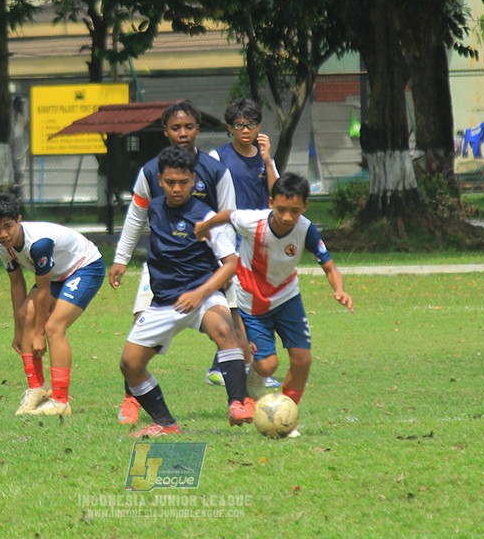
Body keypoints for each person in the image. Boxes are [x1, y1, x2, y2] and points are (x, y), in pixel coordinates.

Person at [109, 100, 242, 424]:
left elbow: (229, 217)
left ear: (197, 129)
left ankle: (240, 401)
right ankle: (133, 398)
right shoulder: (150, 172)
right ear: (166, 130)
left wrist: (227, 267)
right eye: (176, 127)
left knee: (230, 327)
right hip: (163, 268)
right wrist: (121, 259)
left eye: (189, 127)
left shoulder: (214, 171)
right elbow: (136, 216)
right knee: (137, 335)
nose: (183, 133)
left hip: (209, 267)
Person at [194, 172, 353, 435]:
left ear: (304, 207)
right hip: (253, 303)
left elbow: (329, 265)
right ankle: (254, 379)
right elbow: (227, 215)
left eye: (294, 210)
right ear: (271, 202)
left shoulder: (306, 229)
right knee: (268, 366)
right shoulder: (252, 222)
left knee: (302, 361)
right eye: (281, 210)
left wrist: (339, 289)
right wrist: (204, 227)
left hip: (288, 298)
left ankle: (285, 416)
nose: (287, 217)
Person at [0, 192, 105, 417]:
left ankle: (61, 401)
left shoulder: (38, 243)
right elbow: (16, 284)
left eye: (8, 227)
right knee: (24, 316)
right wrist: (19, 331)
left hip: (85, 267)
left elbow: (43, 289)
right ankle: (38, 388)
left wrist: (38, 333)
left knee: (53, 328)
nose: (3, 234)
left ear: (19, 220)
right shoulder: (2, 246)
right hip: (57, 275)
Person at [203, 97, 281, 388]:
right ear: (230, 127)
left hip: (257, 241)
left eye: (250, 124)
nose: (245, 130)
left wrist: (268, 159)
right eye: (239, 125)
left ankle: (221, 365)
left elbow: (277, 195)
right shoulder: (217, 157)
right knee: (244, 308)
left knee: (248, 307)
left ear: (259, 126)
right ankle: (253, 371)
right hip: (228, 243)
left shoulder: (263, 159)